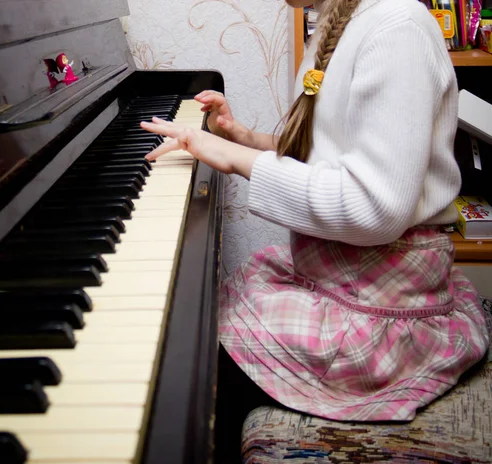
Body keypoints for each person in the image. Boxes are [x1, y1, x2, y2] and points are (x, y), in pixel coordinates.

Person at [141, 0, 489, 426]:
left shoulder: (399, 28)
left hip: (381, 303)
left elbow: (374, 209)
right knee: (195, 331)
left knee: (188, 373)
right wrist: (242, 136)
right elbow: (328, 154)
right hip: (335, 276)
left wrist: (231, 157)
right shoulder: (333, 24)